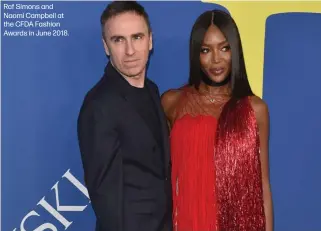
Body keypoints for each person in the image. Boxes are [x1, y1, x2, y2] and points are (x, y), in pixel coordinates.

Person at [161, 9, 273, 231]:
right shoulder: (171, 102)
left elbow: (263, 187)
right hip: (187, 222)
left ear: (235, 50)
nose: (216, 59)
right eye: (206, 50)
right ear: (196, 54)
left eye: (224, 48)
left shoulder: (255, 109)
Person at [77, 2, 172, 231]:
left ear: (150, 40)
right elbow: (105, 198)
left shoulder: (152, 90)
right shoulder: (99, 105)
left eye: (137, 37)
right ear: (106, 46)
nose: (130, 50)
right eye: (118, 40)